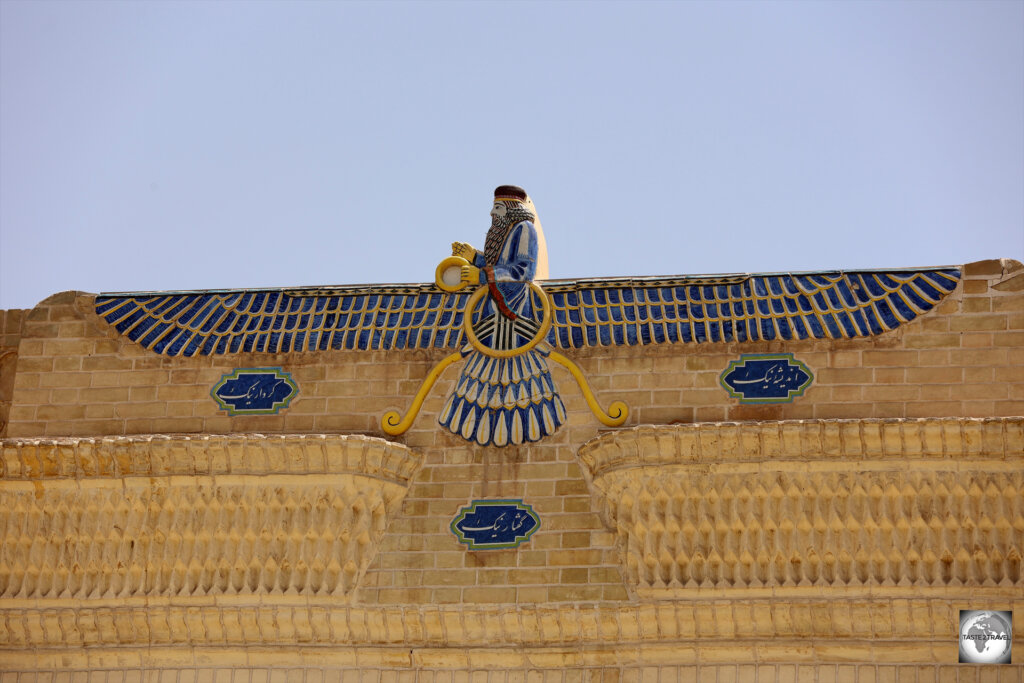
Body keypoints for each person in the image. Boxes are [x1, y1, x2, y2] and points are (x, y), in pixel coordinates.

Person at [438, 186, 566, 447]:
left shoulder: (524, 230)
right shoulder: (508, 232)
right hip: (492, 318)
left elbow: (522, 271)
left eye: (496, 208)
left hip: (515, 316)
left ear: (509, 209)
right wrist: (473, 257)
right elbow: (500, 265)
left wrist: (480, 275)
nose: (491, 213)